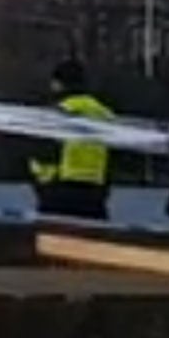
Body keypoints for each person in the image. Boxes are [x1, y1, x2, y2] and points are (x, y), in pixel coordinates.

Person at [29, 58, 114, 223]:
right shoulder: (104, 114)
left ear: (58, 83)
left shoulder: (56, 112)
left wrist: (40, 182)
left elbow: (41, 153)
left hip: (58, 193)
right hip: (95, 195)